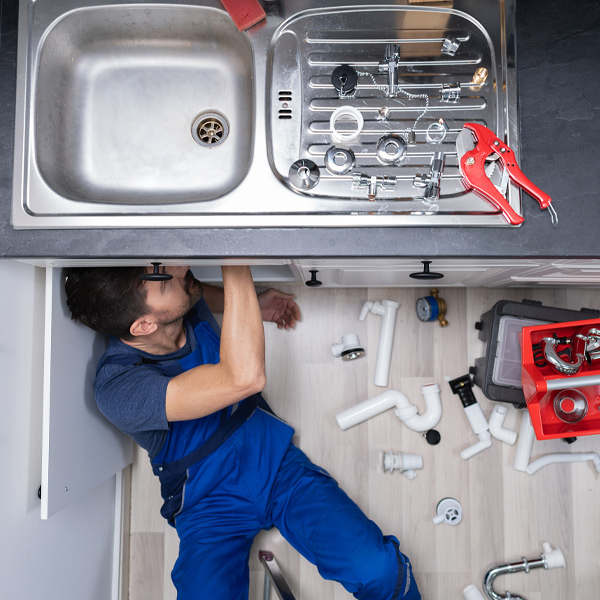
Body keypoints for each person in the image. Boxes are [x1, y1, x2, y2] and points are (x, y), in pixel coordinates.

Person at [65, 264, 421, 600]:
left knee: (378, 570)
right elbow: (244, 377)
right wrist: (236, 253)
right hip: (207, 504)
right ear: (144, 326)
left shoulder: (176, 306)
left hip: (277, 464)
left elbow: (196, 293)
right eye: (164, 279)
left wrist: (257, 300)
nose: (178, 269)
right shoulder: (118, 389)